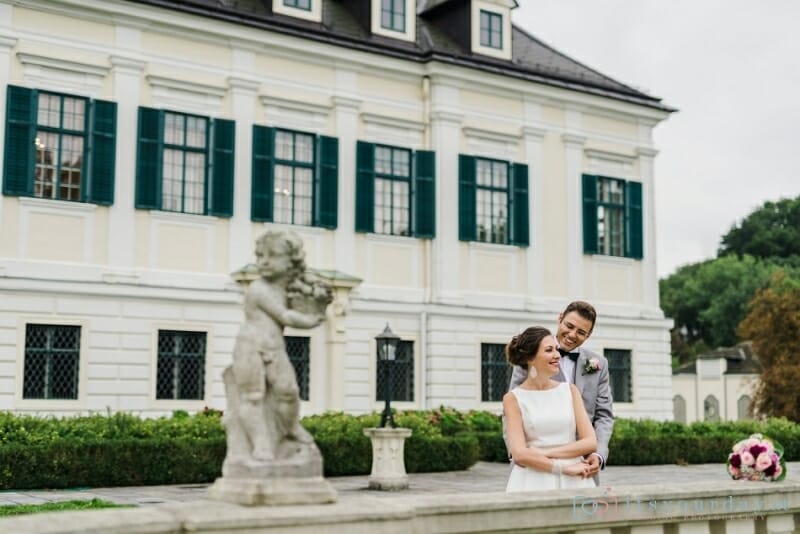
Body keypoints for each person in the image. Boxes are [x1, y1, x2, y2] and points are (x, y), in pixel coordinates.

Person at [225, 230, 331, 463]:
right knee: (252, 397)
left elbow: (307, 292)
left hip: (274, 347)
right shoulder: (258, 288)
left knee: (289, 391)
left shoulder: (287, 285)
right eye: (260, 255)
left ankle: (291, 427)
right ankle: (261, 444)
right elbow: (285, 316)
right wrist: (314, 320)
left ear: (290, 260)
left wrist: (318, 296)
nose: (264, 261)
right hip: (250, 346)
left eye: (272, 255)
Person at [508, 300, 614, 481]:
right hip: (538, 465)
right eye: (569, 326)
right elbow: (514, 410)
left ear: (588, 335)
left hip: (584, 466)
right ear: (560, 319)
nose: (572, 335)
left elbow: (604, 415)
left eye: (581, 332)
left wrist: (598, 454)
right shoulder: (532, 357)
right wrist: (519, 455)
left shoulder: (598, 364)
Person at [504, 326, 597, 491]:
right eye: (549, 350)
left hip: (576, 481)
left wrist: (541, 453)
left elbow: (590, 442)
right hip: (532, 480)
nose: (557, 355)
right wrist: (563, 469)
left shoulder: (570, 391)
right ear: (530, 357)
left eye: (556, 349)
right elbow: (518, 454)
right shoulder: (513, 399)